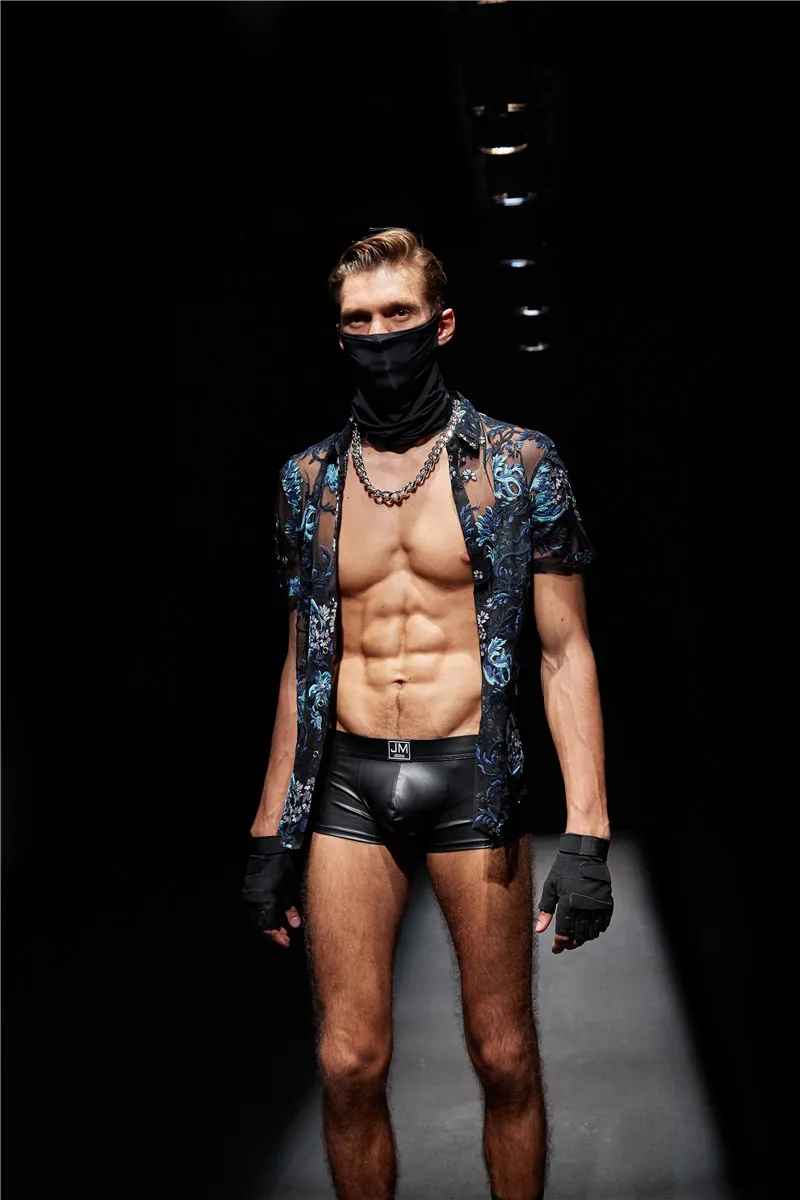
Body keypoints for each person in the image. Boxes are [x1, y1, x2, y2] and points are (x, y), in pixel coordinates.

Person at [242, 228, 613, 1200]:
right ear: (338, 334)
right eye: (358, 320)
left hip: (471, 779)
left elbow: (564, 650)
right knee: (346, 1062)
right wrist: (269, 829)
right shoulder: (308, 482)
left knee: (503, 1054)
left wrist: (587, 833)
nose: (379, 336)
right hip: (347, 783)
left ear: (441, 324)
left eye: (397, 314)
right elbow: (302, 659)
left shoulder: (519, 464)